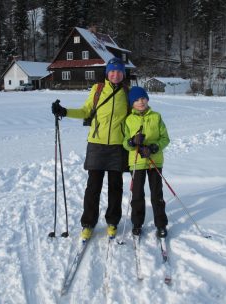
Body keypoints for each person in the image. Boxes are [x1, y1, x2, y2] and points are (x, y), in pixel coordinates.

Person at [51, 57, 129, 240]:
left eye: (119, 71)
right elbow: (86, 111)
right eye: (112, 71)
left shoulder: (128, 92)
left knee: (115, 187)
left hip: (118, 146)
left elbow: (135, 117)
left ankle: (112, 221)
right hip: (96, 145)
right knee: (93, 187)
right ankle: (88, 223)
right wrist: (65, 111)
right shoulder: (98, 90)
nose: (115, 74)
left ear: (123, 74)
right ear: (107, 73)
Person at [123, 86, 170, 237]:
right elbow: (124, 142)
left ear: (147, 99)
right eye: (136, 100)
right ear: (132, 103)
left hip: (154, 161)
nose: (140, 102)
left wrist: (154, 147)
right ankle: (137, 223)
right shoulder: (129, 120)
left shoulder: (156, 116)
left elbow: (165, 138)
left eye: (143, 98)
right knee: (137, 195)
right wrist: (132, 141)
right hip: (137, 163)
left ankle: (161, 224)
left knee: (157, 194)